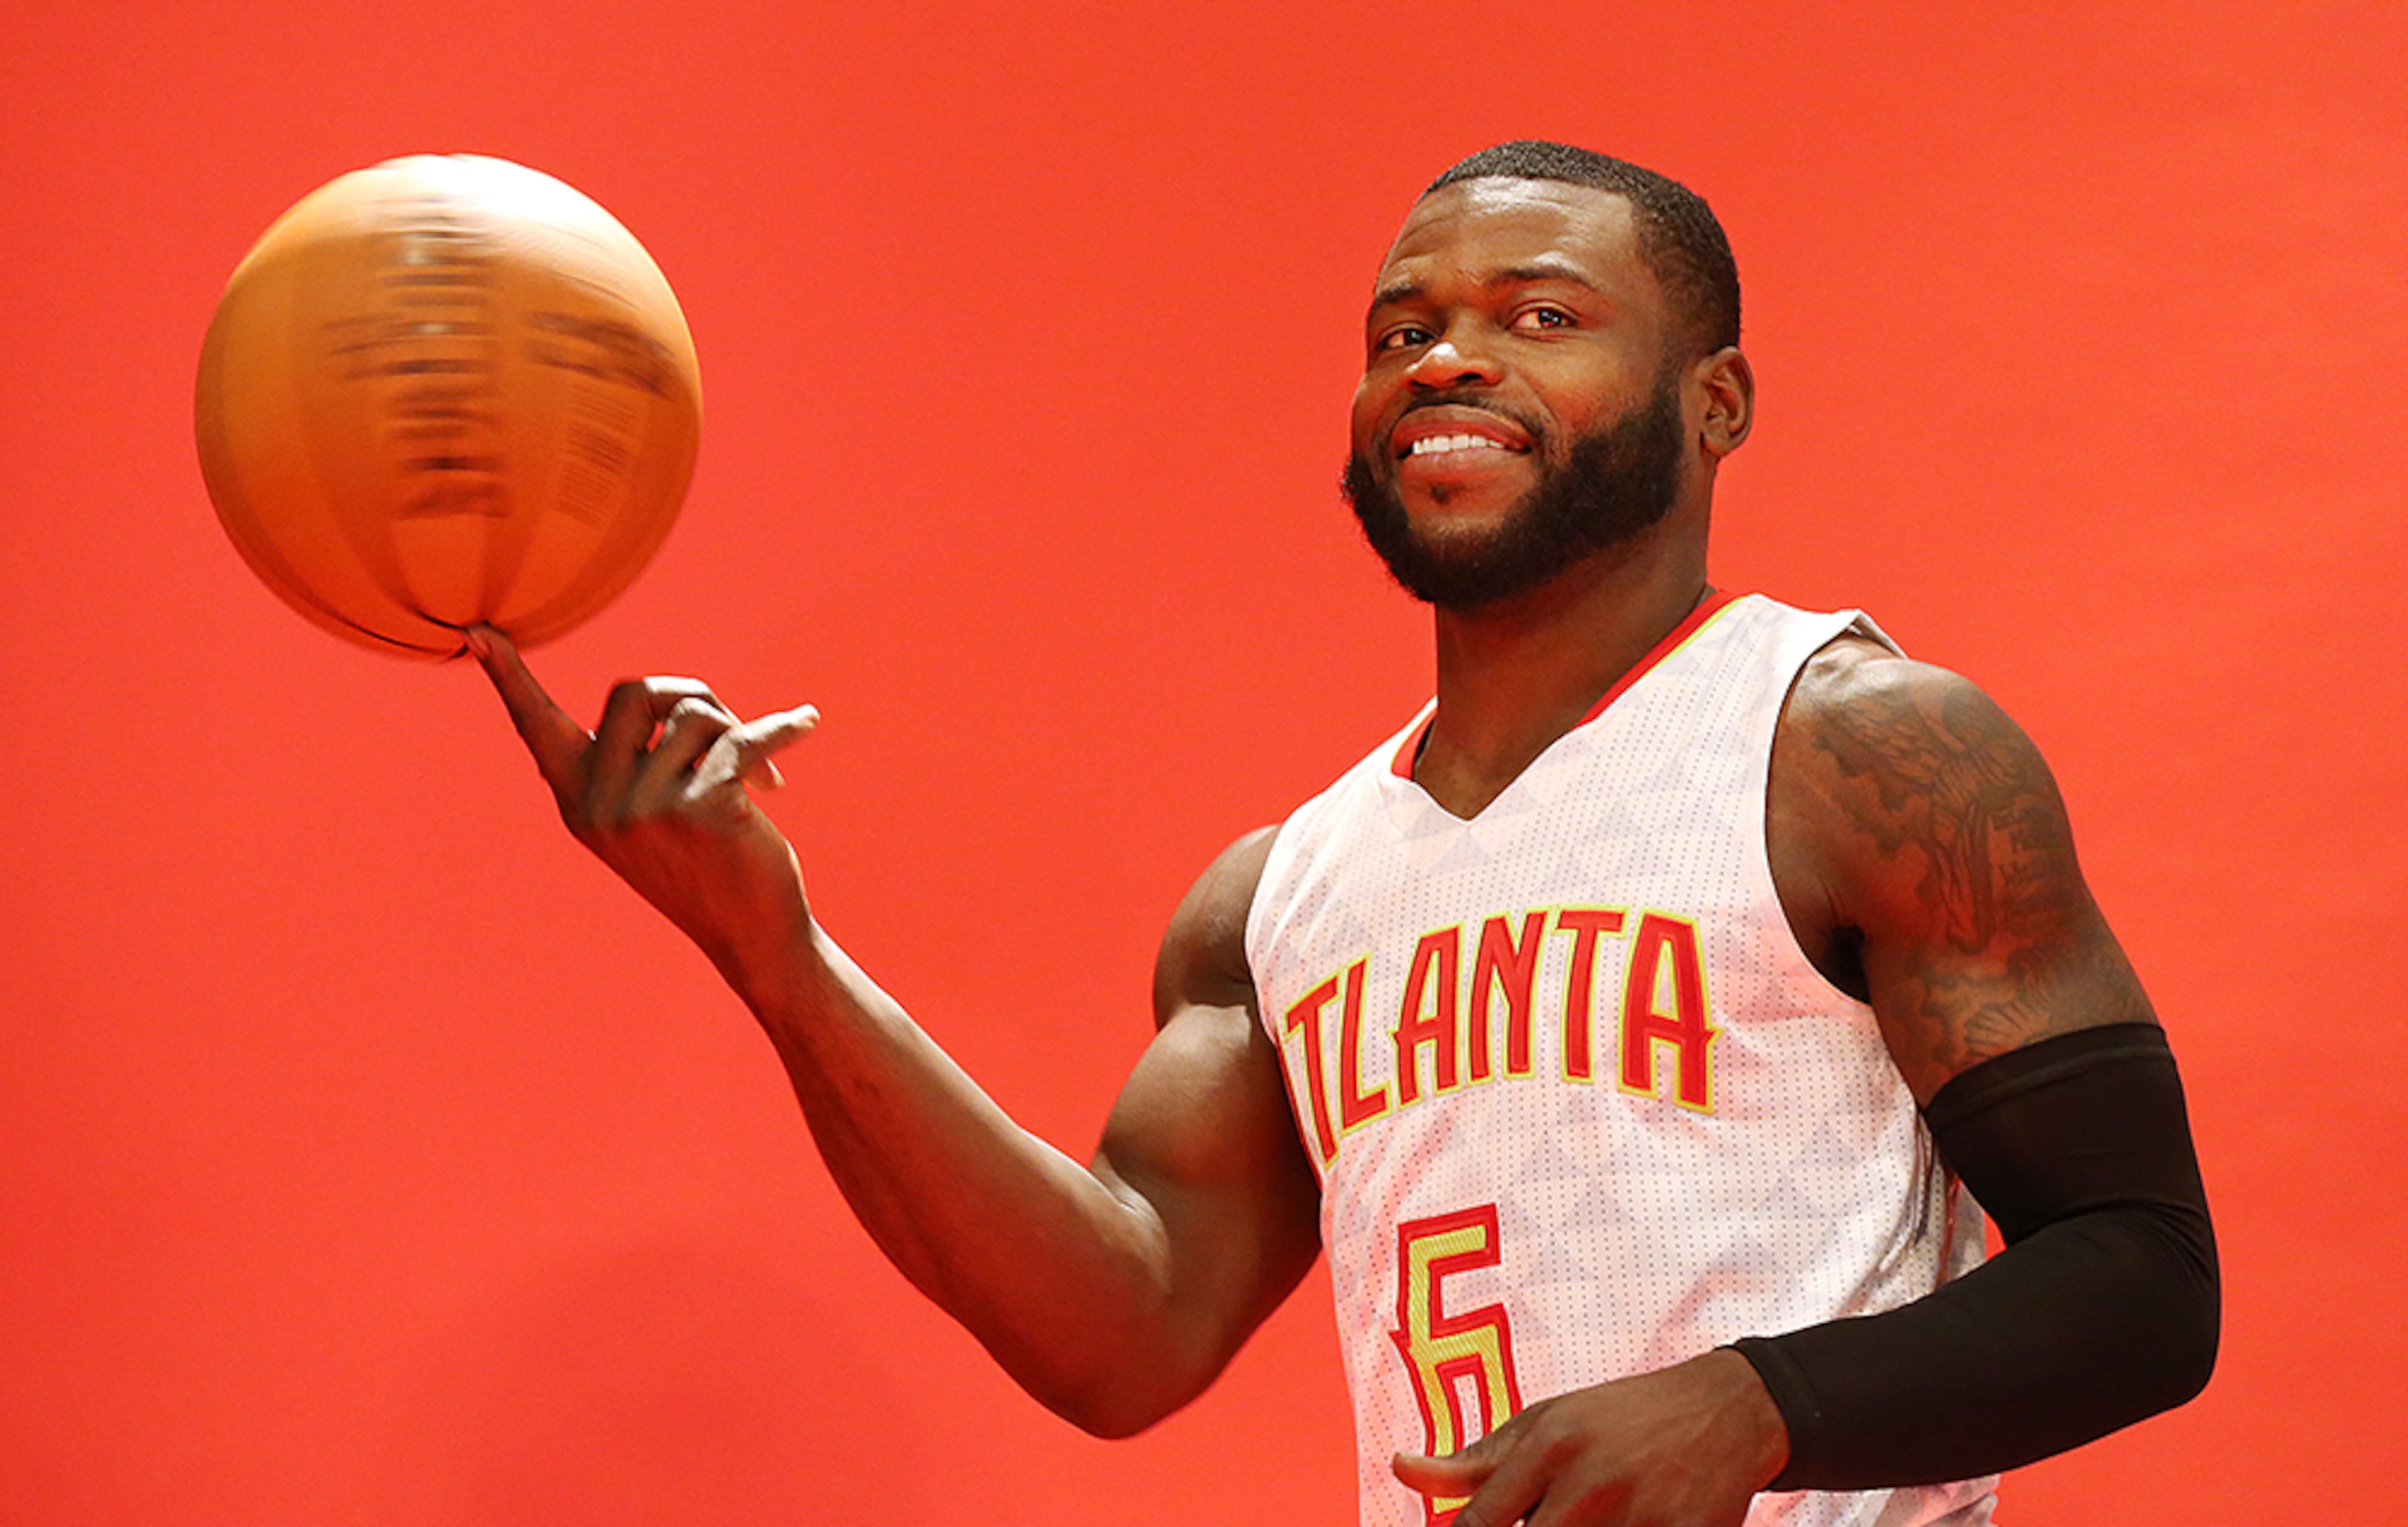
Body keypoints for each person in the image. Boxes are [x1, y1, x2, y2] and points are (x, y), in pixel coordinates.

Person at [468, 141, 2217, 1527]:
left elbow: (2142, 1273)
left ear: (1718, 402)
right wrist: (775, 956)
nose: (1447, 353)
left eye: (1541, 316)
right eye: (1402, 328)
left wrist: (1758, 1404)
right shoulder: (1279, 895)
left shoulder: (1852, 747)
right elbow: (1123, 1332)